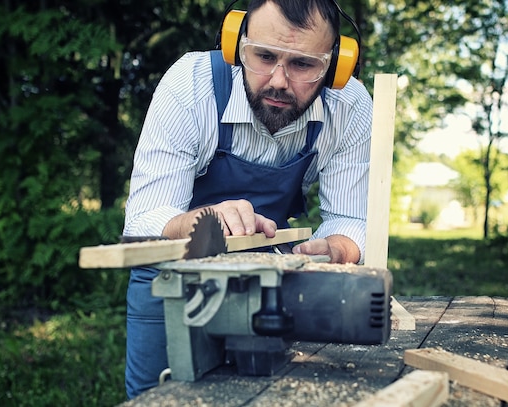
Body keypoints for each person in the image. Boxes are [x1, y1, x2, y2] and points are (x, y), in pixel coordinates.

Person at [122, 0, 373, 399]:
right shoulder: (191, 84)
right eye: (264, 56)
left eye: (303, 65)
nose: (277, 81)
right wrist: (200, 222)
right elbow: (144, 219)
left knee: (268, 394)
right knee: (159, 396)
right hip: (172, 271)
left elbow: (352, 218)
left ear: (336, 66)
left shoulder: (351, 106)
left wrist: (335, 249)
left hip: (270, 274)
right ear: (235, 44)